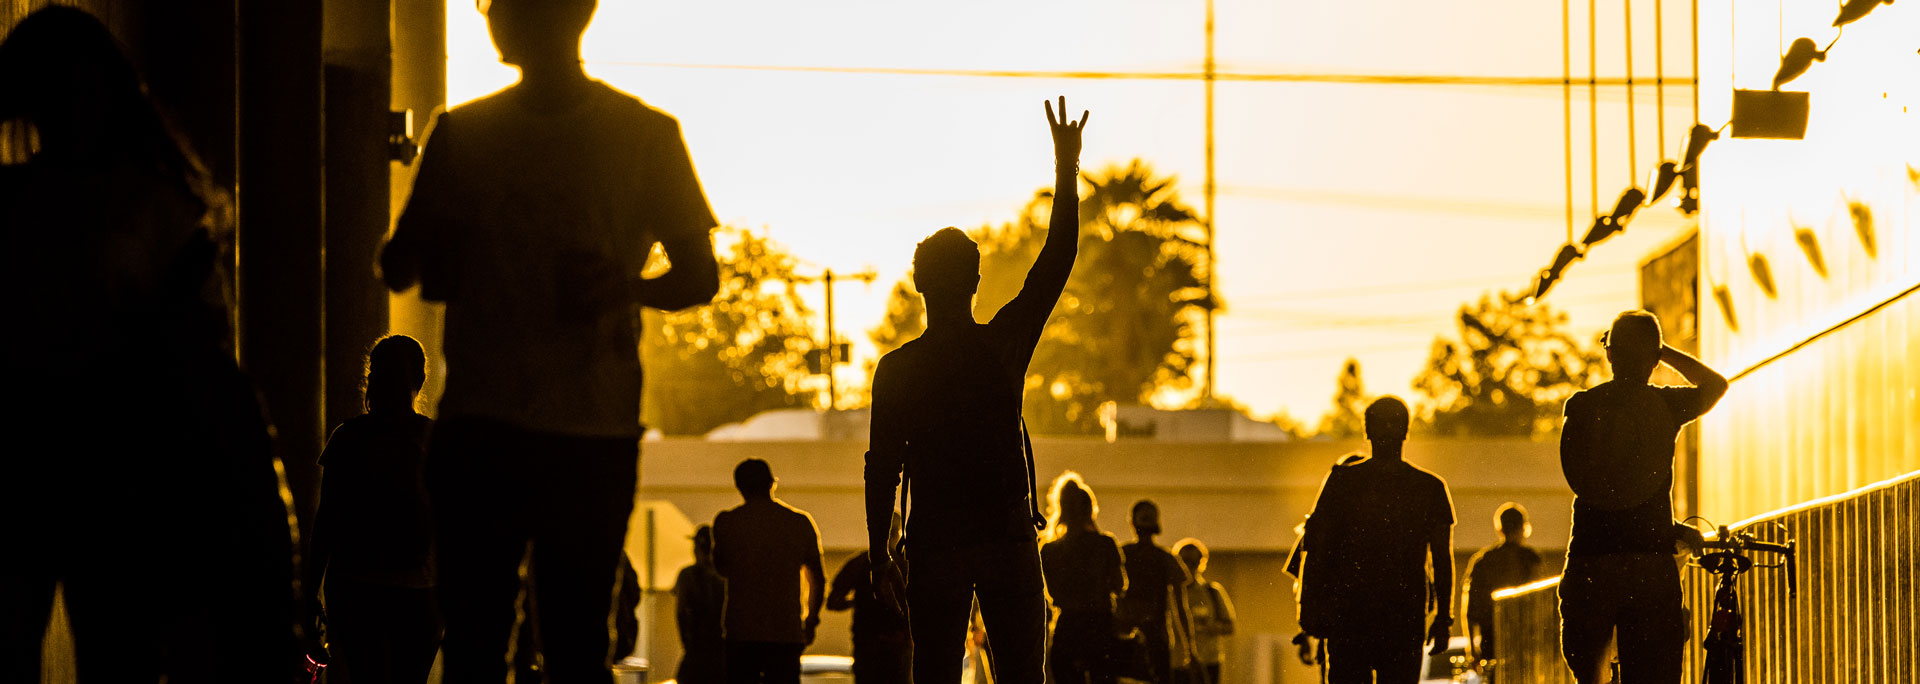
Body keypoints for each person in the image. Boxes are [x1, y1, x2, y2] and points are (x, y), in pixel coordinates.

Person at [378, 0, 720, 679]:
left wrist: (458, 242)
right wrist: (627, 286)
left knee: (474, 639)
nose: (489, 17)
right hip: (591, 429)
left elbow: (400, 266)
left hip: (484, 426)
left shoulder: (463, 135)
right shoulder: (645, 134)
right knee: (577, 641)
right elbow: (699, 277)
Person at [1, 7, 297, 682]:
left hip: (28, 451)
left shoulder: (18, 203)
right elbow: (204, 350)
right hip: (122, 459)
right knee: (119, 649)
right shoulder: (159, 207)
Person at [864, 96, 1089, 684]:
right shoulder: (1002, 347)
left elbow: (882, 468)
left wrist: (880, 552)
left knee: (935, 672)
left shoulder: (897, 369)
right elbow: (1057, 259)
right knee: (1022, 674)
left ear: (918, 283)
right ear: (976, 281)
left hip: (934, 540)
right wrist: (1066, 167)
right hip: (1005, 536)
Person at [1557, 312, 1727, 684]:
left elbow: (1598, 486)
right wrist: (1662, 350)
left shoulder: (1582, 407)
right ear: (1653, 359)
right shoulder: (1665, 406)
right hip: (1649, 565)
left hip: (1591, 560)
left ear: (1610, 354)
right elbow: (1716, 385)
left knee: (1590, 675)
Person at [305, 335, 441, 684]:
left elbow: (326, 523)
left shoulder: (348, 437)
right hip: (419, 589)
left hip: (355, 586)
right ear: (419, 379)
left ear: (371, 377)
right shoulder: (433, 440)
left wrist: (307, 593)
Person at [1297, 397, 1456, 684]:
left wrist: (1309, 610)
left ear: (1366, 431)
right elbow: (1441, 559)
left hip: (1351, 617)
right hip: (1402, 618)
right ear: (1407, 431)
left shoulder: (1342, 481)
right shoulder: (1429, 487)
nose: (1388, 430)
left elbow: (1317, 549)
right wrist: (1444, 618)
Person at [712, 459, 826, 684]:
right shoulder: (799, 523)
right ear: (771, 483)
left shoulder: (727, 523)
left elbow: (721, 567)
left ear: (740, 487)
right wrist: (811, 621)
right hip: (786, 633)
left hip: (741, 633)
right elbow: (818, 579)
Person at [1039, 472, 1126, 684]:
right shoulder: (1105, 544)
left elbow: (1051, 594)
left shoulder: (1049, 550)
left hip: (1067, 627)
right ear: (1090, 509)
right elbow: (1120, 585)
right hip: (1101, 626)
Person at [1117, 500, 1198, 684]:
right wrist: (1190, 650)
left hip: (1134, 637)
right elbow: (1181, 608)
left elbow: (1181, 608)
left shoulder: (1123, 555)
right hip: (1146, 638)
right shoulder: (1163, 558)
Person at [826, 514, 911, 684]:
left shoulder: (859, 563)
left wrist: (859, 602)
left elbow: (833, 602)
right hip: (898, 646)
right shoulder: (907, 564)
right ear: (898, 533)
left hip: (867, 646)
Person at [1460, 502, 1542, 677]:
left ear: (1500, 528)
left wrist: (1471, 649)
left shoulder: (1483, 561)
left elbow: (1470, 610)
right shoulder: (1531, 559)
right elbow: (1540, 603)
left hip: (1492, 640)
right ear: (1524, 527)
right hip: (1526, 640)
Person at [1174, 539, 1236, 684]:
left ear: (1201, 563)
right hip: (1177, 663)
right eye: (1184, 562)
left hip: (1208, 662)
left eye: (1192, 562)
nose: (1188, 567)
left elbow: (1230, 627)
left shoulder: (1211, 592)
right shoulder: (1169, 594)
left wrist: (1209, 626)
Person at [674, 525, 725, 684]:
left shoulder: (687, 576)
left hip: (696, 655)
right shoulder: (726, 578)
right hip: (722, 657)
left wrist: (688, 646)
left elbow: (681, 614)